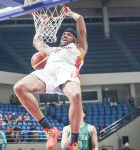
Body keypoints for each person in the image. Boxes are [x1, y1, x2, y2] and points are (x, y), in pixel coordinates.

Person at [13, 6, 87, 150]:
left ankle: (74, 141)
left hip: (67, 71)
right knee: (19, 88)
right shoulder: (53, 50)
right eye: (64, 34)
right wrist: (41, 25)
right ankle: (49, 130)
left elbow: (80, 21)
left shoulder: (80, 49)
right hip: (49, 72)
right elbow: (37, 42)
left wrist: (70, 13)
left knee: (76, 95)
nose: (65, 35)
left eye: (69, 34)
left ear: (76, 40)